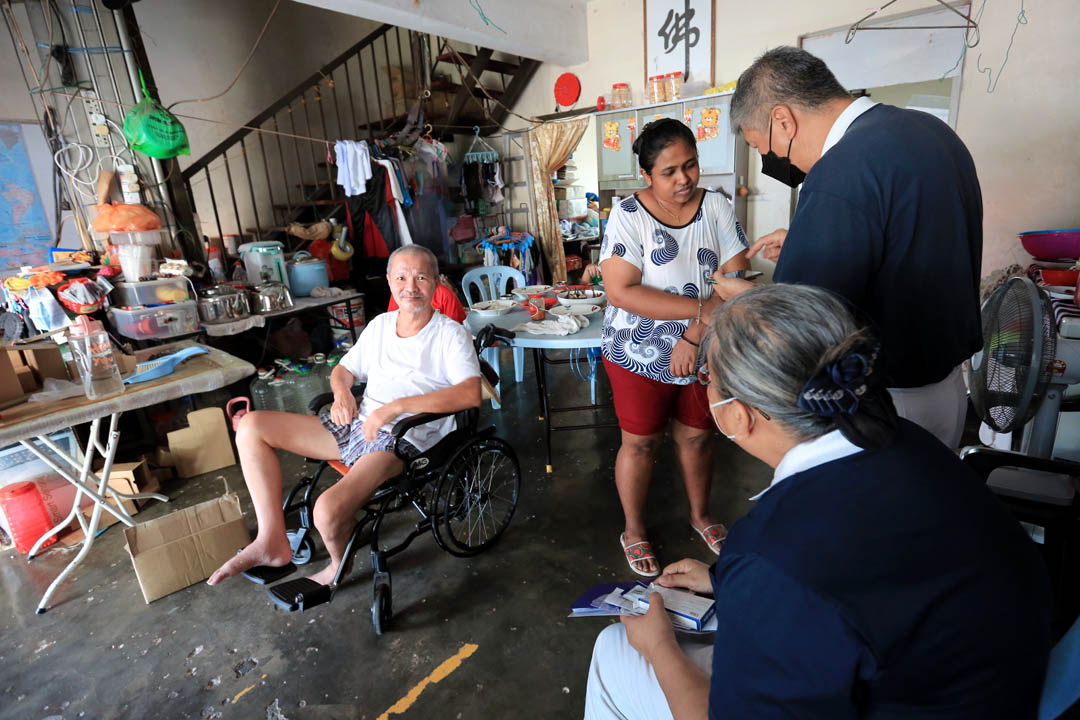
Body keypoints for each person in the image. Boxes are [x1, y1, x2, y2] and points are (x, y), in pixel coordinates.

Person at [583, 284, 1052, 720]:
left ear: (739, 416)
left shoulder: (772, 553)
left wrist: (659, 646)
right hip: (993, 683)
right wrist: (725, 582)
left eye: (708, 377)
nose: (704, 386)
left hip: (921, 699)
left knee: (615, 648)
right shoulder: (906, 440)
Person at [712, 46, 982, 450]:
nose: (773, 160)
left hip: (884, 405)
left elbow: (802, 323)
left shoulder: (840, 170)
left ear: (783, 120)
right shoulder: (931, 131)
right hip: (948, 390)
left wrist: (748, 298)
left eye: (765, 148)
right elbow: (908, 236)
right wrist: (806, 238)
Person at [207, 245, 482, 587]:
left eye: (421, 277)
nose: (410, 287)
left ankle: (338, 562)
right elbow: (344, 369)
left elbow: (470, 393)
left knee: (325, 510)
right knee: (250, 426)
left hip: (404, 439)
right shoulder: (380, 326)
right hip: (359, 425)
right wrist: (342, 394)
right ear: (389, 281)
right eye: (401, 278)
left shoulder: (450, 334)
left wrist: (396, 407)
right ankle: (271, 540)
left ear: (436, 282)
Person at [599, 118, 749, 576]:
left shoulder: (717, 206)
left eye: (690, 165)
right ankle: (633, 530)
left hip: (704, 346)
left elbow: (735, 279)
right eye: (669, 171)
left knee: (698, 435)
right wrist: (701, 311)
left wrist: (695, 332)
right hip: (637, 349)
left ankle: (701, 515)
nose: (684, 179)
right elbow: (621, 290)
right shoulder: (628, 215)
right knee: (640, 443)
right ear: (646, 175)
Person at [387, 272, 467, 323]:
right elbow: (392, 324)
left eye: (420, 278)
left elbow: (455, 329)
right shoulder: (399, 294)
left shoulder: (445, 294)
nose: (412, 286)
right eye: (403, 278)